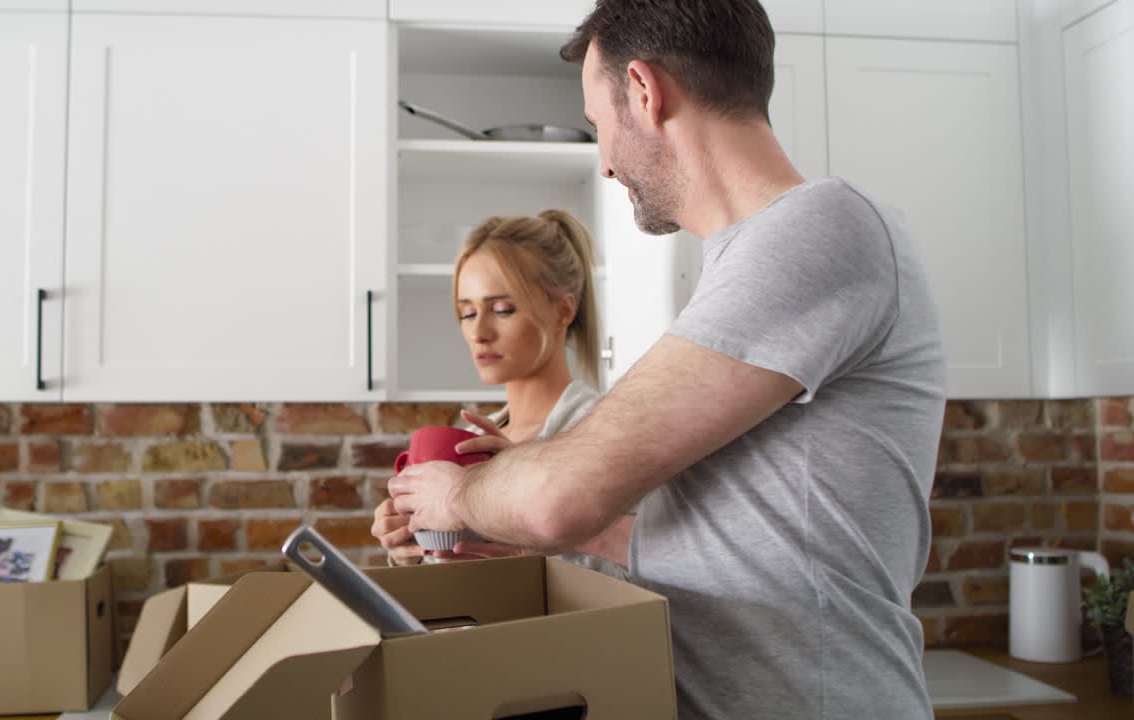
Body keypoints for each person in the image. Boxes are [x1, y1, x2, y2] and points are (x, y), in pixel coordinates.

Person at [387, 1, 946, 719]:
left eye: (598, 123)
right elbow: (746, 538)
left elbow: (562, 496)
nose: (605, 160)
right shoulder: (746, 264)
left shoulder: (819, 230)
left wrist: (458, 498)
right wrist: (522, 524)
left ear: (645, 93)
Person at [371, 209, 621, 574]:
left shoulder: (600, 431)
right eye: (467, 313)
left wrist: (527, 545)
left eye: (502, 309)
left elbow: (639, 581)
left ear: (563, 311)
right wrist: (409, 550)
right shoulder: (473, 440)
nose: (479, 332)